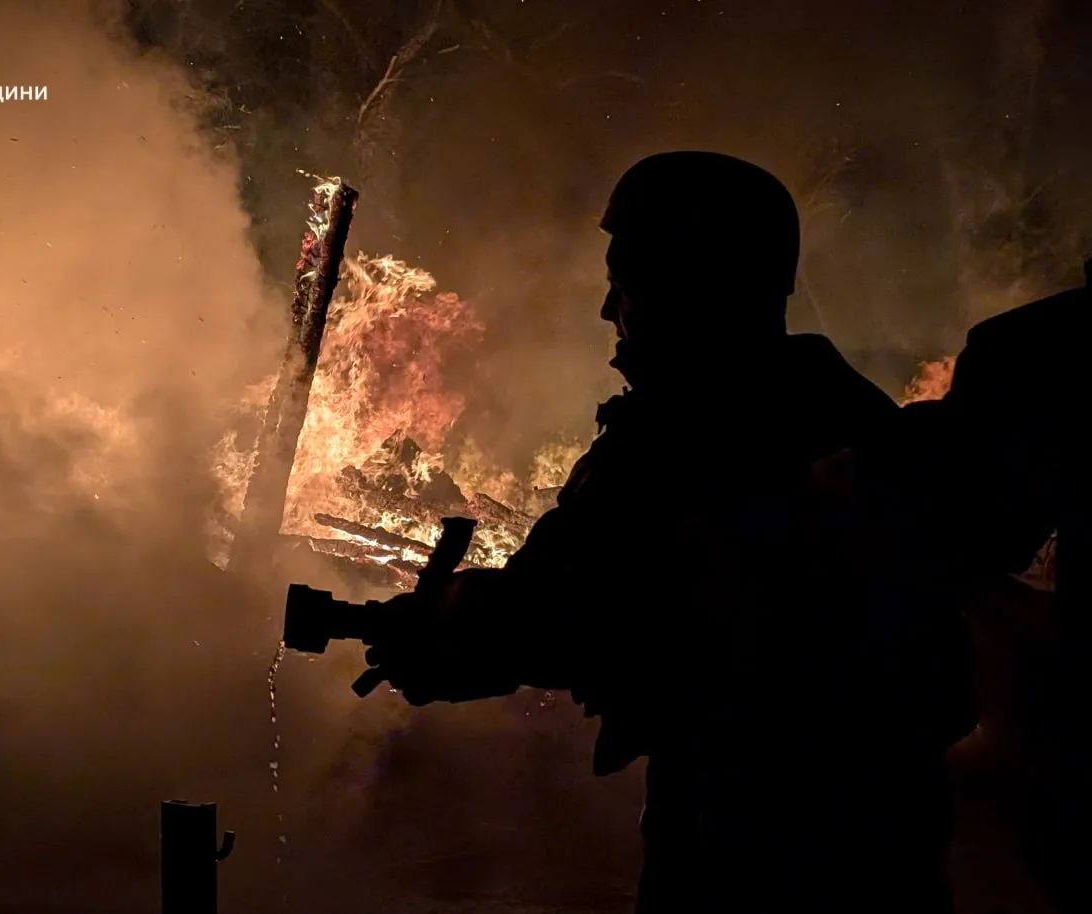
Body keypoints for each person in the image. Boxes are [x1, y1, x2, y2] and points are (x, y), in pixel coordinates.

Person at [362, 151, 944, 912]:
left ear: (689, 286)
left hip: (755, 837)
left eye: (625, 280)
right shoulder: (843, 412)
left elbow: (588, 603)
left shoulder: (694, 432)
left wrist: (453, 629)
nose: (610, 310)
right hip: (879, 839)